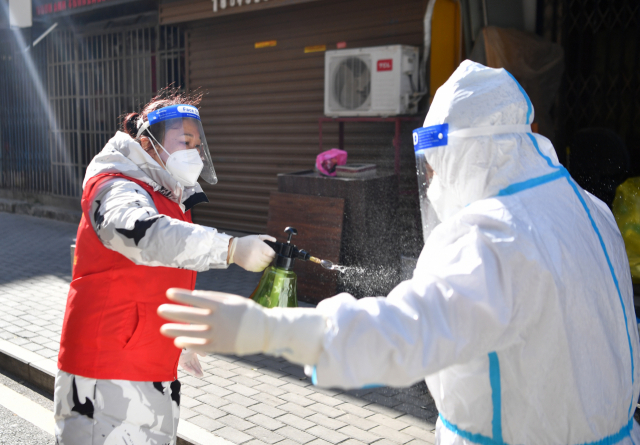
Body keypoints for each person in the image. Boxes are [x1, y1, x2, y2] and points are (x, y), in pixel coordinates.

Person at [158, 61, 640, 445]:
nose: (433, 182)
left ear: (470, 153)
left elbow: (404, 334)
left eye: (437, 164)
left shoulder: (489, 234)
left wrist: (269, 329)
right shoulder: (590, 210)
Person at [54, 90, 276, 445]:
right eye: (185, 142)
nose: (195, 153)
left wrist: (177, 338)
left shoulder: (169, 198)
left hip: (149, 369)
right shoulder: (116, 187)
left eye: (198, 144)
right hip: (105, 374)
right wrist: (230, 249)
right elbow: (142, 234)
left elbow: (157, 282)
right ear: (148, 143)